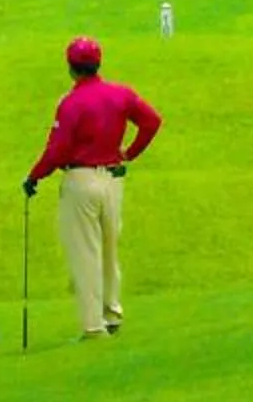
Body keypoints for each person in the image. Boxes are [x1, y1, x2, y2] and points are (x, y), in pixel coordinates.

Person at [24, 35, 162, 342]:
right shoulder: (121, 94)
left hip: (81, 182)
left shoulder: (71, 103)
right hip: (113, 180)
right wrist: (129, 153)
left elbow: (57, 151)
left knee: (85, 253)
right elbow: (151, 121)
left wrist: (34, 176)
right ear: (98, 63)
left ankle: (93, 326)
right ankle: (111, 314)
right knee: (109, 249)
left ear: (71, 68)